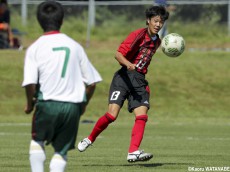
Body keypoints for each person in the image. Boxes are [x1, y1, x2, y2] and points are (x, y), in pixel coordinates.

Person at [78, 5, 169, 163]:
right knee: (112, 115)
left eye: (161, 22)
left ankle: (133, 152)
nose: (158, 25)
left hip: (139, 80)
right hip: (124, 77)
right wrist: (128, 64)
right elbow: (118, 54)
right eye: (155, 21)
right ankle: (89, 139)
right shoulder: (137, 35)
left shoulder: (158, 41)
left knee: (142, 116)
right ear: (148, 20)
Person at [22, 1, 102, 172]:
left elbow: (30, 83)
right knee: (61, 150)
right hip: (72, 106)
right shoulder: (75, 46)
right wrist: (83, 104)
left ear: (39, 21)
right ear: (62, 20)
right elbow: (92, 82)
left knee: (37, 141)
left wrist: (29, 104)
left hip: (47, 103)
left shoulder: (35, 48)